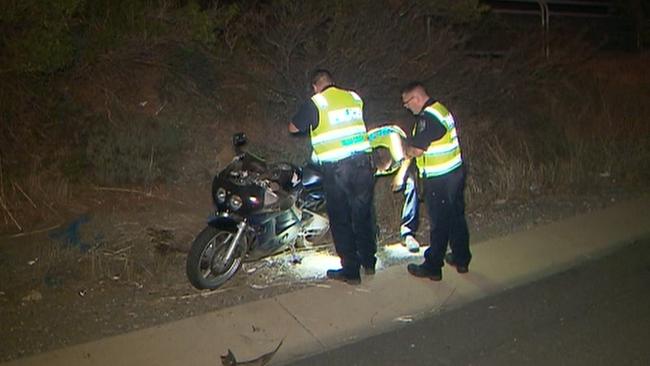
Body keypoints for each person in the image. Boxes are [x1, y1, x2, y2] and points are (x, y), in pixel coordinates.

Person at [289, 69, 376, 285]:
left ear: (315, 86)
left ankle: (351, 271)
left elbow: (293, 127)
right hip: (364, 165)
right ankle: (369, 262)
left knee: (341, 219)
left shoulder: (317, 102)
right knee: (363, 215)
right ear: (332, 82)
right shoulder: (354, 97)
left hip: (338, 170)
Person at [400, 81, 471, 281]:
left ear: (416, 98)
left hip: (440, 178)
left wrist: (406, 150)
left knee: (439, 222)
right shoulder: (440, 109)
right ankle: (461, 258)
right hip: (455, 172)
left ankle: (433, 265)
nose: (407, 107)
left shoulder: (427, 118)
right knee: (456, 216)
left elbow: (418, 149)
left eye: (407, 103)